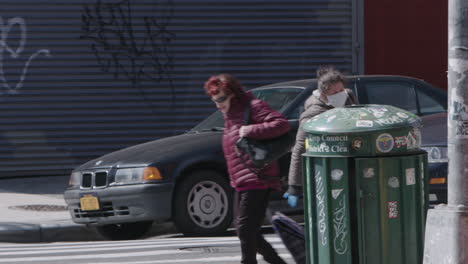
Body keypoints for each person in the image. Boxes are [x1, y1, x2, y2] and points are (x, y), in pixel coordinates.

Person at [204, 74, 289, 264]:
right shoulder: (230, 114)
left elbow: (281, 124)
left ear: (233, 94)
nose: (218, 105)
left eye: (221, 99)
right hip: (241, 179)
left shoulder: (253, 106)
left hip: (258, 176)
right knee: (245, 229)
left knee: (245, 229)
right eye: (214, 101)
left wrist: (250, 130)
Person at [283, 66, 359, 207]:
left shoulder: (348, 98)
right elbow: (299, 147)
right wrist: (294, 185)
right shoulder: (312, 114)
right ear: (324, 95)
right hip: (328, 172)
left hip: (353, 167)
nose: (341, 94)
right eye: (335, 92)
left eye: (341, 90)